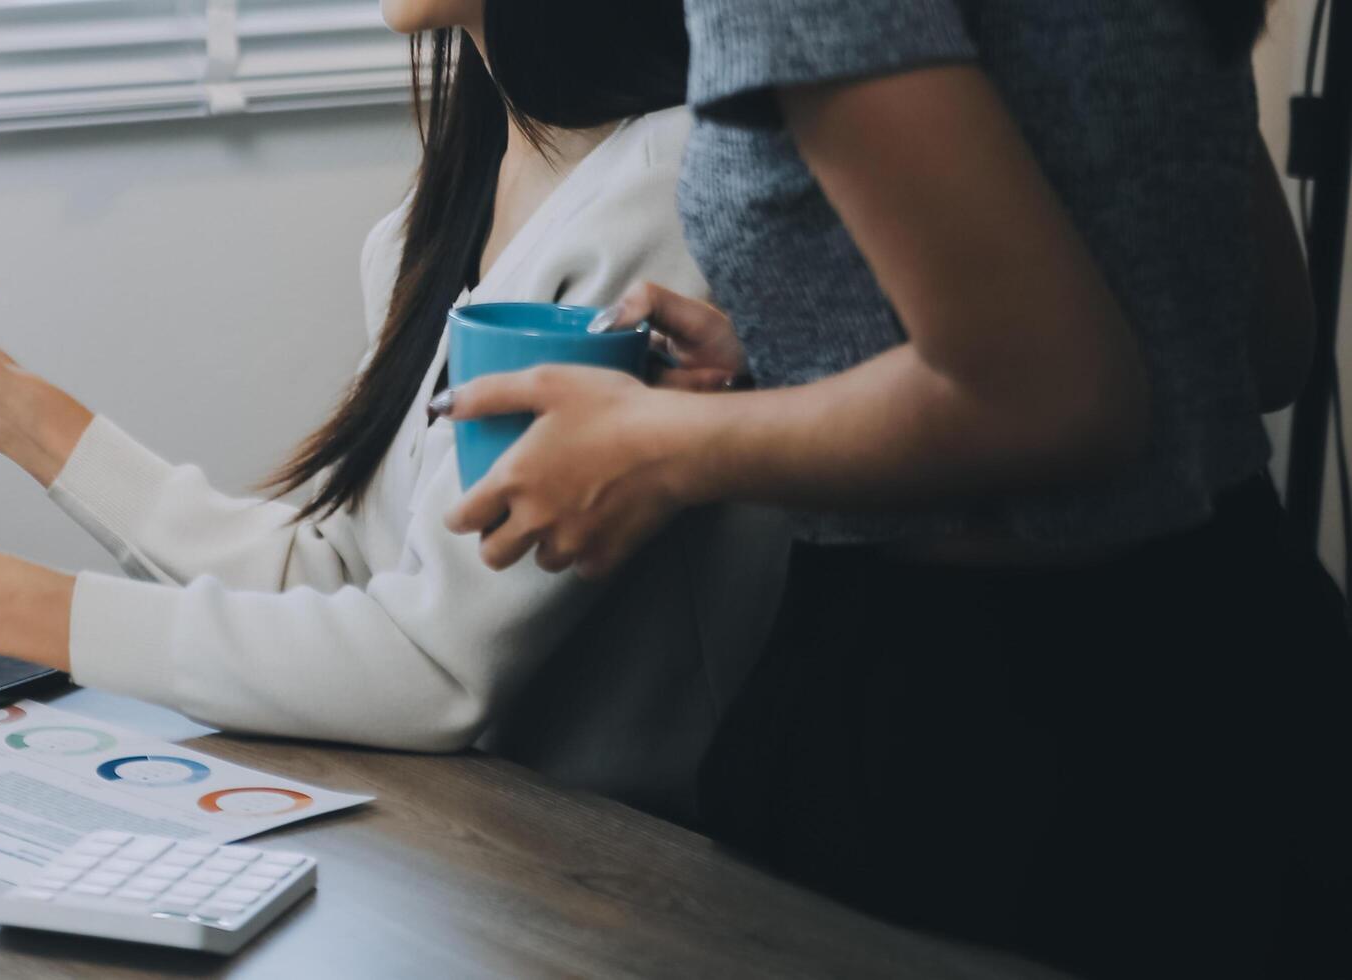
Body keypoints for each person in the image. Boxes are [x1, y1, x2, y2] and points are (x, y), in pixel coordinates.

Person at [433, 0, 1351, 973]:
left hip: (985, 754)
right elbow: (1254, 345)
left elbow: (1059, 393)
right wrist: (813, 349)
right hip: (1252, 671)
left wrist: (666, 443)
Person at [0, 0, 787, 825]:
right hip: (459, 837)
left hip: (605, 873)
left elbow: (431, 669)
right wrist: (10, 406)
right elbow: (346, 578)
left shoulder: (664, 189)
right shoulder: (450, 203)